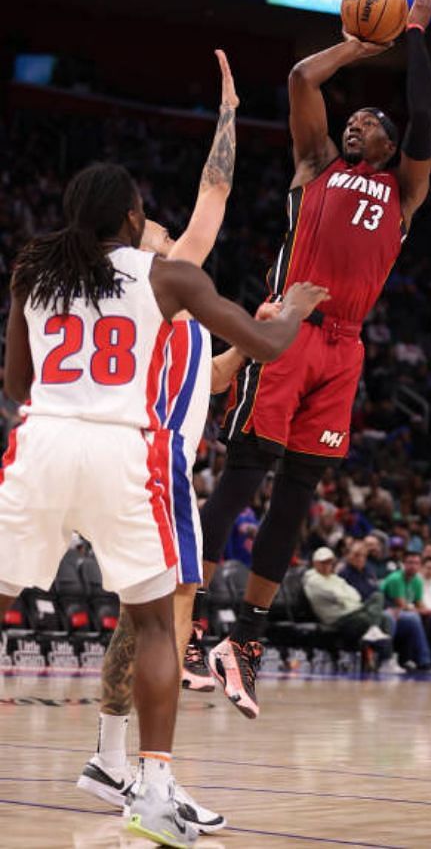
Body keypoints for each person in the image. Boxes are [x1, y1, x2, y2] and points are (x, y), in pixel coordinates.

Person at [0, 156, 324, 848]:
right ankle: (151, 787)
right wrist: (295, 308)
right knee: (155, 626)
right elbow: (267, 340)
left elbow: (18, 383)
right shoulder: (166, 277)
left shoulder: (33, 271)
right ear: (129, 218)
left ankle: (121, 768)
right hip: (125, 452)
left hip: (45, 442)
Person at [198, 0, 431, 720]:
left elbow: (426, 115)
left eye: (371, 119)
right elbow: (305, 77)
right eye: (354, 119)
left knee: (298, 494)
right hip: (289, 328)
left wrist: (419, 38)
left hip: (343, 350)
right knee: (245, 473)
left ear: (391, 144)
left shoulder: (403, 192)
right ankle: (192, 623)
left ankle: (245, 640)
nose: (358, 122)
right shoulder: (317, 169)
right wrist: (362, 45)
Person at [75, 50, 247, 838]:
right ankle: (149, 773)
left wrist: (244, 349)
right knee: (167, 615)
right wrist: (229, 114)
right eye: (158, 225)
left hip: (121, 458)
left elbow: (210, 381)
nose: (174, 230)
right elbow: (215, 191)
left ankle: (114, 757)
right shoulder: (162, 273)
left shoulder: (159, 312)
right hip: (150, 463)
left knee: (140, 619)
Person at [380, 552, 431, 673]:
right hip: (384, 613)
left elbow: (419, 603)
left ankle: (421, 661)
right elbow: (402, 605)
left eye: (416, 563)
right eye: (410, 562)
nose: (413, 566)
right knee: (413, 618)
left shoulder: (417, 580)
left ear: (420, 566)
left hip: (400, 614)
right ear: (403, 564)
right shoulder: (396, 578)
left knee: (427, 617)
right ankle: (389, 660)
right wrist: (423, 611)